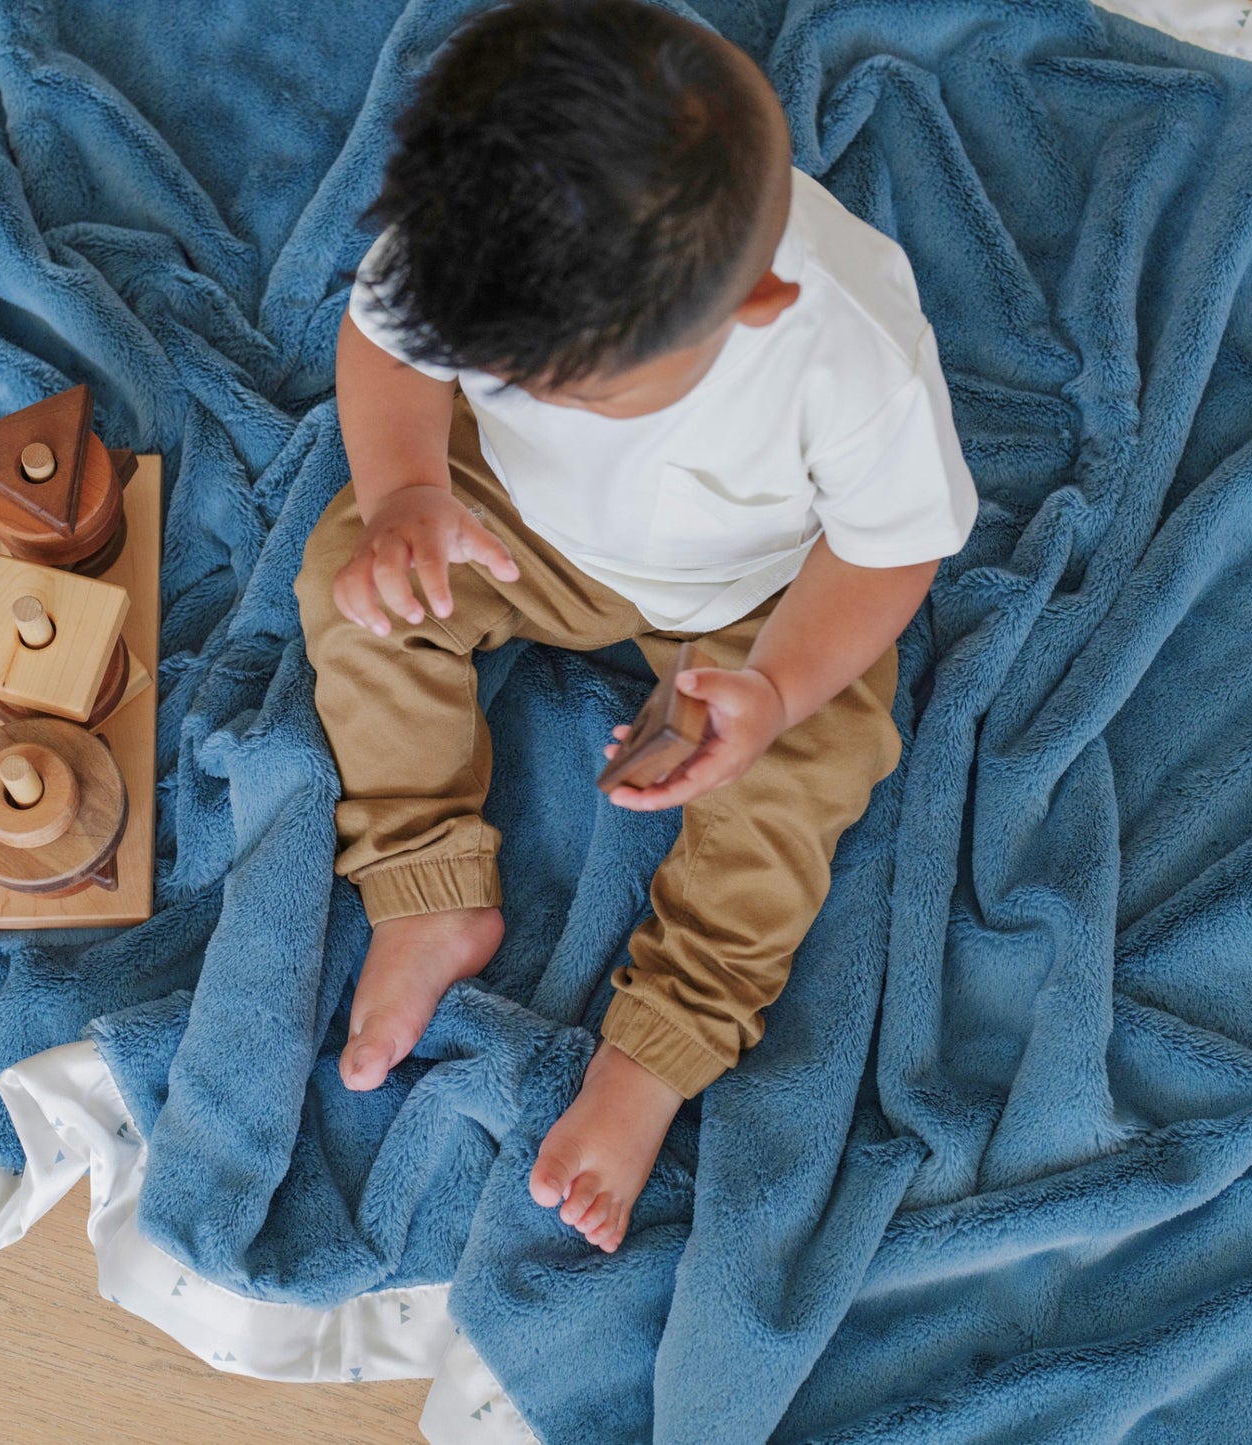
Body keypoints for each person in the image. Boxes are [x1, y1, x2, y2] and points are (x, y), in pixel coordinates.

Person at [294, 0, 977, 1253]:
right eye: (493, 371)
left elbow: (891, 555)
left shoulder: (844, 351)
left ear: (753, 303)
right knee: (351, 576)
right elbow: (383, 349)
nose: (508, 386)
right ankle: (425, 887)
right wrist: (404, 494)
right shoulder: (465, 229)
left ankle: (657, 1048)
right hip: (519, 530)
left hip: (768, 604)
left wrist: (773, 687)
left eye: (566, 387)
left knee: (805, 777)